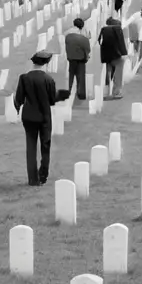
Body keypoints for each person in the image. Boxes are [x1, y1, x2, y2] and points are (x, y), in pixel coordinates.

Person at [14, 53, 57, 187]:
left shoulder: (24, 78)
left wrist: (17, 107)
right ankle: (43, 174)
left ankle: (32, 179)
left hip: (28, 116)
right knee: (45, 146)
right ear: (46, 63)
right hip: (44, 116)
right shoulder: (48, 79)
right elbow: (52, 100)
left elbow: (19, 99)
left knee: (31, 147)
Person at [98, 15, 127, 98]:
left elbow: (99, 40)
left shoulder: (103, 29)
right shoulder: (117, 29)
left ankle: (106, 92)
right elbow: (121, 42)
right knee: (118, 74)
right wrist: (124, 53)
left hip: (106, 56)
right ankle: (116, 92)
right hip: (117, 56)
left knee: (108, 74)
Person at [64, 17, 90, 100]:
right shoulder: (83, 38)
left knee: (71, 75)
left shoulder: (68, 36)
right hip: (81, 59)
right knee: (80, 77)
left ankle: (68, 91)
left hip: (71, 58)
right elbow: (87, 49)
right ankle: (81, 94)